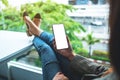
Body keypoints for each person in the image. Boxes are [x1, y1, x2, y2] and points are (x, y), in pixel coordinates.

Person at [23, 0, 120, 79]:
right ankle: (36, 31)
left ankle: (34, 31)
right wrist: (71, 55)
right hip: (87, 75)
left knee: (46, 49)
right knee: (56, 42)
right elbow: (102, 71)